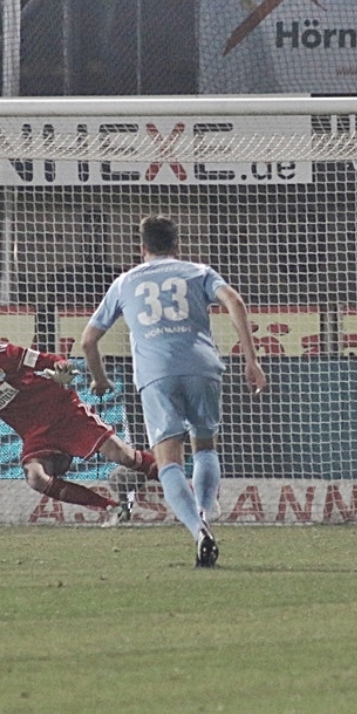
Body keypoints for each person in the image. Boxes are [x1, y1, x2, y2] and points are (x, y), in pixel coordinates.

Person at [80, 215, 266, 568]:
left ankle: (198, 531)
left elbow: (89, 341)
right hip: (203, 367)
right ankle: (205, 511)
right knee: (206, 445)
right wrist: (251, 361)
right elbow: (236, 303)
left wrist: (100, 379)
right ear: (177, 246)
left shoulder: (125, 282)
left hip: (157, 374)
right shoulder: (198, 272)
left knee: (169, 462)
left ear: (142, 248)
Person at [0, 316, 160, 523]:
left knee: (122, 455)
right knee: (35, 477)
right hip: (35, 433)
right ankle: (112, 508)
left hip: (63, 411)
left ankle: (179, 483)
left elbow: (50, 360)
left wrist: (63, 368)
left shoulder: (6, 354)